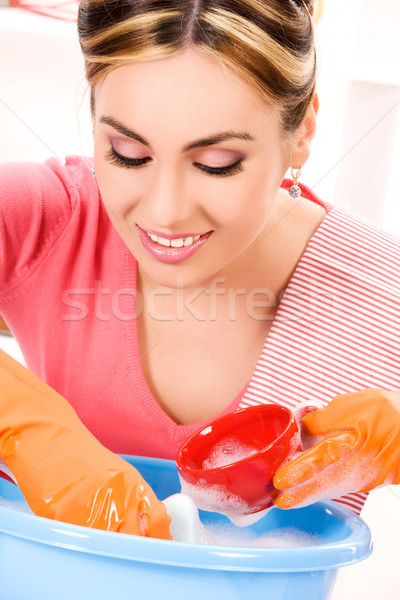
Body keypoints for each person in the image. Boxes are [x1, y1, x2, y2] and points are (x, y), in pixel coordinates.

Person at [0, 0, 399, 536]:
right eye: (127, 153)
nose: (165, 211)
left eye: (217, 164)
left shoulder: (382, 292)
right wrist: (23, 423)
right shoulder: (51, 219)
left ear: (301, 133)